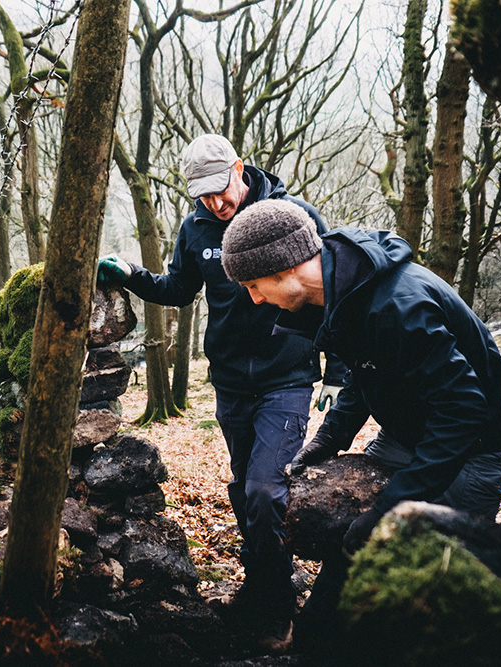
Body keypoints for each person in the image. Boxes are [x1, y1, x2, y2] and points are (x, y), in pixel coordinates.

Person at [220, 199, 501, 640]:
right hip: (411, 427)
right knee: (354, 539)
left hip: (479, 442)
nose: (254, 298)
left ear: (285, 269)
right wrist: (324, 442)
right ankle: (315, 638)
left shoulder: (397, 308)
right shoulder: (340, 294)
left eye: (253, 285)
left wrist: (387, 511)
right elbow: (365, 377)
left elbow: (463, 413)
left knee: (436, 560)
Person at [97, 135, 328, 650]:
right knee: (246, 491)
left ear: (239, 169)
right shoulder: (196, 228)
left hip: (286, 376)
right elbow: (178, 290)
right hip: (230, 381)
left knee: (268, 492)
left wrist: (340, 371)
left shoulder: (290, 216)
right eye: (203, 196)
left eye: (221, 190)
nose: (216, 204)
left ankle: (279, 613)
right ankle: (262, 588)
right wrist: (132, 275)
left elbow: (330, 287)